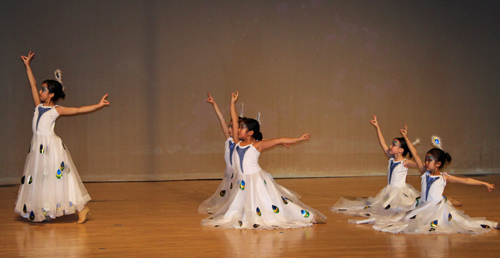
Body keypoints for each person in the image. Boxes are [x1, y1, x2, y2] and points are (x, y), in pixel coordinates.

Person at [202, 92, 326, 229]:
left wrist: (298, 139)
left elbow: (279, 139)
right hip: (242, 180)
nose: (238, 129)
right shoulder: (237, 142)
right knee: (242, 204)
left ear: (250, 133)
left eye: (242, 128)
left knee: (271, 203)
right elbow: (234, 120)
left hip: (256, 180)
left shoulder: (257, 145)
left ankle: (309, 216)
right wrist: (232, 103)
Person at [14, 51, 109, 223]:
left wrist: (97, 105)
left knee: (59, 178)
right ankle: (45, 209)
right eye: (41, 89)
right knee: (41, 178)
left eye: (44, 90)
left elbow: (78, 110)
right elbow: (32, 85)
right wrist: (28, 66)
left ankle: (82, 208)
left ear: (51, 94)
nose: (40, 92)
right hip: (38, 148)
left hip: (51, 148)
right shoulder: (38, 106)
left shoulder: (55, 110)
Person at [370, 125, 497, 234]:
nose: (426, 162)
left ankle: (494, 224)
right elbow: (414, 153)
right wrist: (406, 137)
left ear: (438, 164)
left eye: (429, 160)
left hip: (436, 209)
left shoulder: (443, 177)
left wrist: (484, 183)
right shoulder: (424, 173)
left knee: (464, 223)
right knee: (403, 220)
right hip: (423, 206)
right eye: (426, 159)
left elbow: (466, 181)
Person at [331, 115, 420, 217]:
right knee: (381, 208)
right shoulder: (391, 159)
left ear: (401, 150)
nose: (391, 146)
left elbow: (417, 160)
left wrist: (406, 138)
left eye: (394, 145)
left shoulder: (405, 163)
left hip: (400, 193)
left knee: (399, 210)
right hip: (389, 191)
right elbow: (382, 142)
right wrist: (377, 127)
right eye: (391, 144)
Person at [198, 93, 240, 214]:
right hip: (229, 172)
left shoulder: (239, 142)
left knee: (238, 192)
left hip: (238, 172)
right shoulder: (229, 139)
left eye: (232, 127)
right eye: (229, 127)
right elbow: (221, 118)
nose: (229, 129)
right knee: (229, 192)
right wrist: (214, 104)